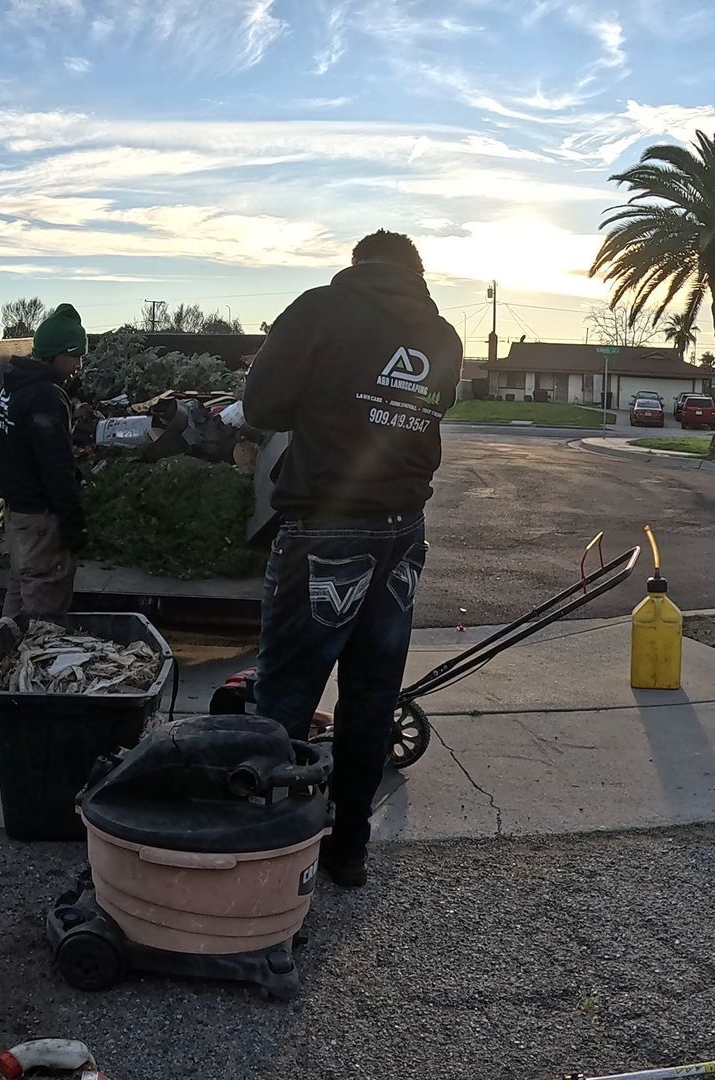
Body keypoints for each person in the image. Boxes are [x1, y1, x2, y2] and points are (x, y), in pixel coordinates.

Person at [241, 229, 463, 888]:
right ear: (415, 273)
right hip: (402, 533)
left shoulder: (319, 309)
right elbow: (436, 404)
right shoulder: (444, 336)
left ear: (358, 263)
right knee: (371, 698)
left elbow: (261, 405)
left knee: (284, 696)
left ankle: (262, 855)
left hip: (326, 530)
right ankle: (349, 849)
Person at [0, 303, 88, 616]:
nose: (79, 365)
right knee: (45, 610)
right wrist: (73, 522)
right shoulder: (46, 396)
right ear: (55, 355)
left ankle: (2, 659)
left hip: (18, 514)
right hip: (41, 522)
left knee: (20, 594)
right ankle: (32, 661)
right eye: (75, 356)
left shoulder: (14, 387)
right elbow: (57, 467)